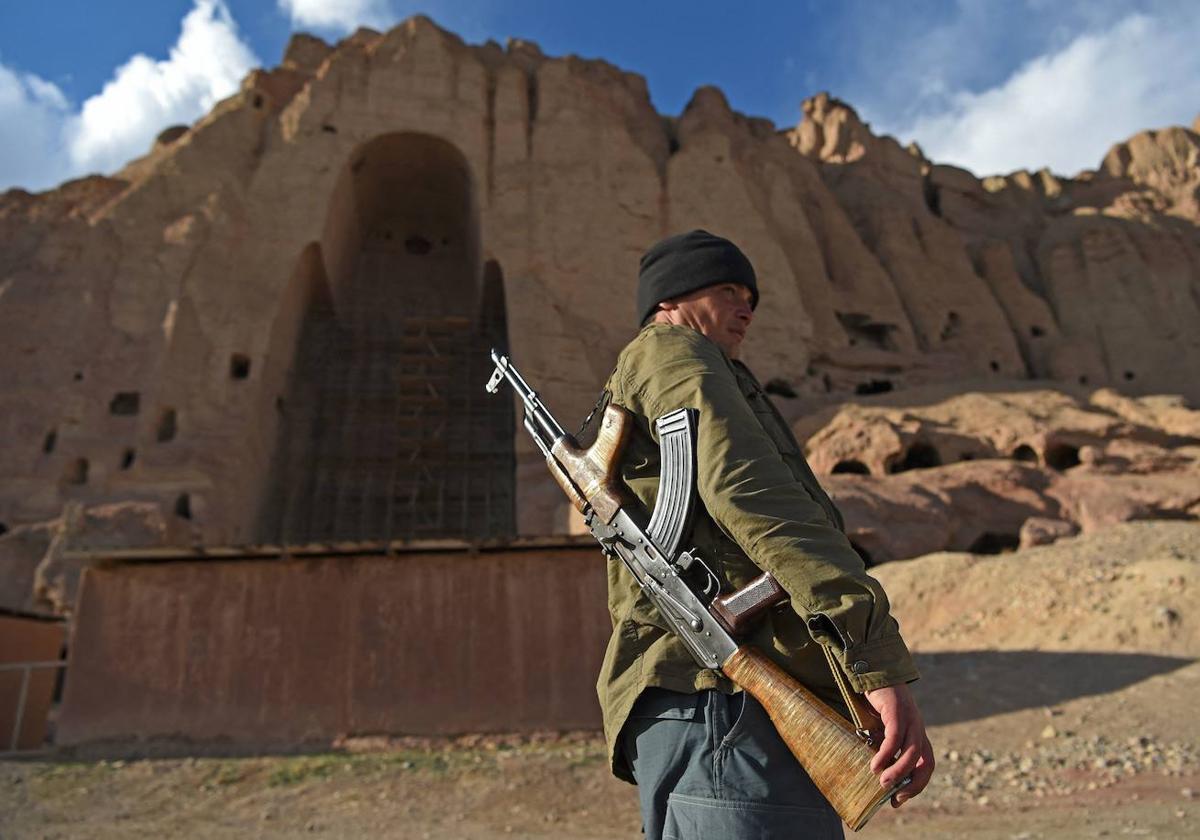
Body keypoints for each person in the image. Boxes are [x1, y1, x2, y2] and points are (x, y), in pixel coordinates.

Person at [595, 230, 934, 839]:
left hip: (718, 707)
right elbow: (751, 493)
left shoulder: (697, 367)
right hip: (721, 706)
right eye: (728, 290)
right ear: (671, 297)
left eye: (751, 294)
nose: (747, 307)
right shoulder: (675, 356)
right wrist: (873, 658)